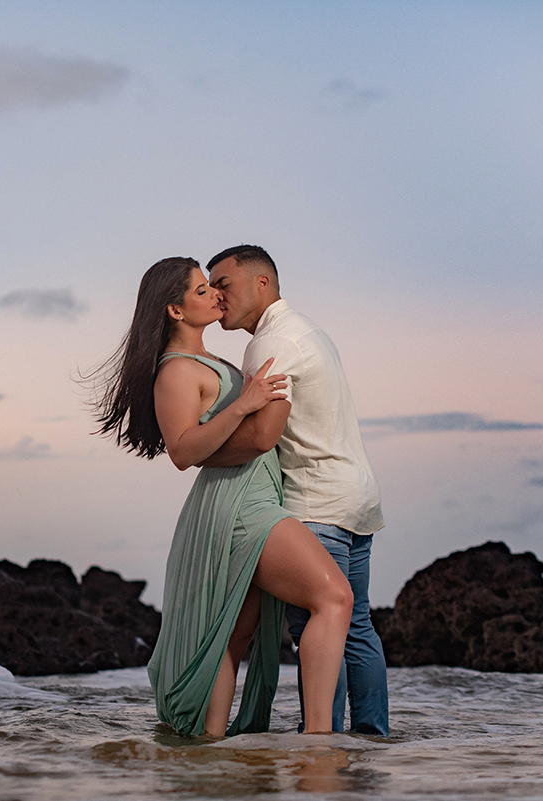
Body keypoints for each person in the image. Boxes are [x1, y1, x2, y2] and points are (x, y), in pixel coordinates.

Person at [90, 256, 353, 737]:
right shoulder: (175, 372)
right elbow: (183, 451)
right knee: (334, 597)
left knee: (233, 637)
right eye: (201, 290)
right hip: (237, 508)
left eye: (214, 286)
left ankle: (208, 751)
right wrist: (245, 406)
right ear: (174, 310)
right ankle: (320, 742)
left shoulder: (216, 362)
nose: (215, 294)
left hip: (256, 495)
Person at [201, 244, 390, 736]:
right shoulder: (308, 330)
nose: (217, 296)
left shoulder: (270, 343)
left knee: (317, 628)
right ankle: (370, 741)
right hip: (355, 496)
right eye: (211, 287)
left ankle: (321, 748)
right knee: (357, 628)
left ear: (262, 282)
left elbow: (262, 436)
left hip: (315, 499)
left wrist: (198, 453)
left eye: (224, 283)